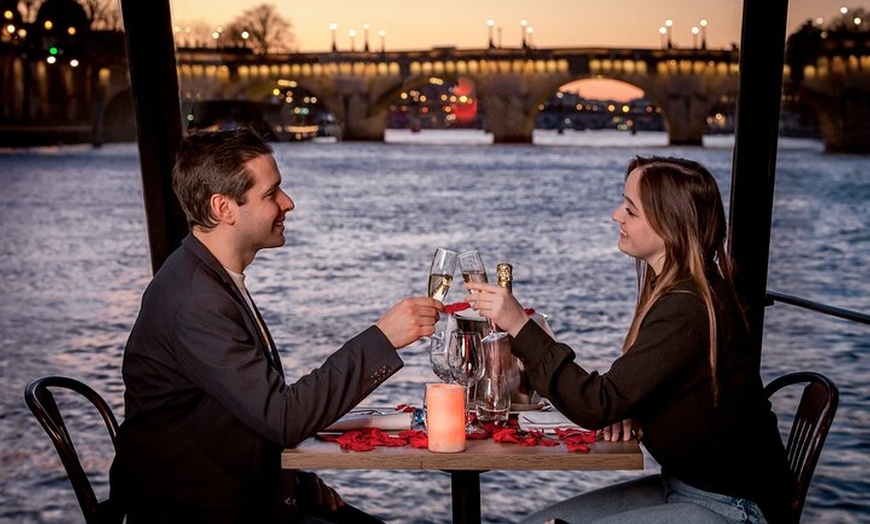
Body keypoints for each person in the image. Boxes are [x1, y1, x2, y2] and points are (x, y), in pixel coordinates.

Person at [109, 127, 443, 523]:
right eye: (271, 194)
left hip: (239, 493)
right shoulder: (196, 301)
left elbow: (240, 415)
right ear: (224, 208)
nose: (288, 203)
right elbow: (281, 417)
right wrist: (384, 338)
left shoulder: (207, 279)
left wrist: (293, 482)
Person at [463, 156, 791, 524]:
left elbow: (594, 405)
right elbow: (629, 397)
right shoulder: (683, 292)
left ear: (670, 226)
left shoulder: (687, 310)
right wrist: (633, 406)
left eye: (631, 210)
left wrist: (518, 324)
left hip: (733, 508)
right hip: (685, 487)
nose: (616, 215)